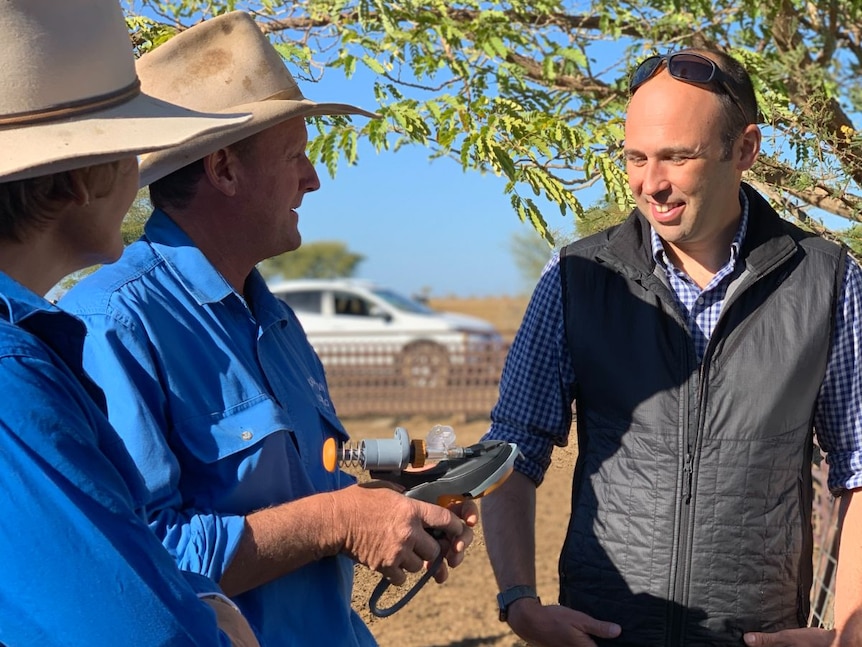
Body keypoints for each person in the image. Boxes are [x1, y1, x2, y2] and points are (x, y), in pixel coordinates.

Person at [61, 11, 477, 647]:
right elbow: (137, 556)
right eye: (295, 157)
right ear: (224, 170)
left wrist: (392, 504)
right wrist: (340, 518)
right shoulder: (114, 323)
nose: (313, 179)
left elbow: (304, 492)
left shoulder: (274, 320)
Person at [480, 48, 862, 647]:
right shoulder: (577, 276)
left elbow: (859, 468)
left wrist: (850, 633)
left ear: (745, 150)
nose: (651, 184)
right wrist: (518, 603)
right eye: (636, 158)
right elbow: (511, 452)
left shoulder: (826, 279)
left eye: (677, 157)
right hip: (604, 633)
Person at [0, 1, 264, 645]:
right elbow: (129, 626)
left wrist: (197, 595)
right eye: (129, 146)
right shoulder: (15, 373)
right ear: (87, 176)